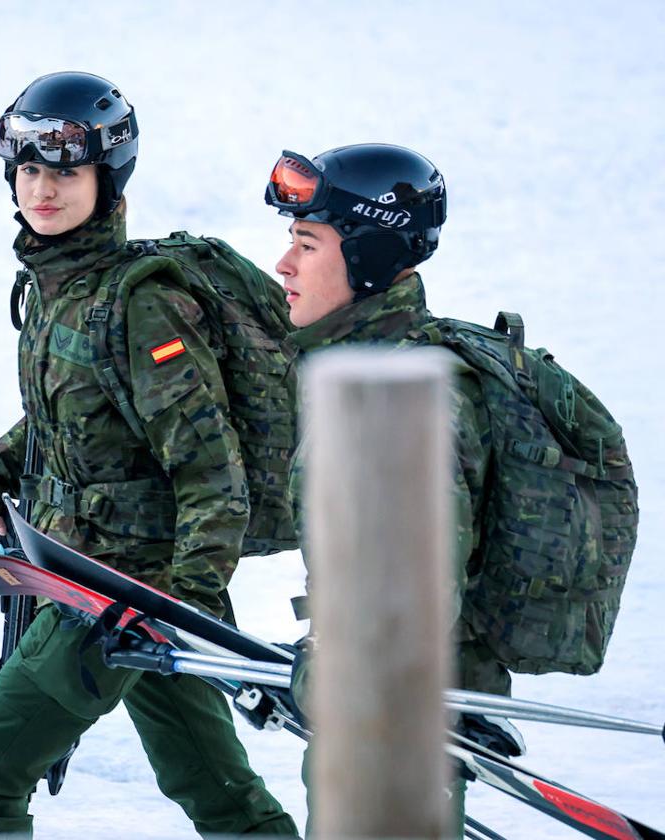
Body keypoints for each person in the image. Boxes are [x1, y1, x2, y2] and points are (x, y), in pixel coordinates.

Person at [0, 71, 298, 837]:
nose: (43, 189)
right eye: (30, 169)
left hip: (120, 598)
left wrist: (182, 608)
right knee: (215, 791)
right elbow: (74, 417)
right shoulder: (58, 286)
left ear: (109, 177)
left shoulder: (140, 300)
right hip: (102, 581)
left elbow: (212, 470)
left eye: (66, 171)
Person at [265, 143, 505, 834]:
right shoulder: (361, 367)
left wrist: (338, 668)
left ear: (367, 257)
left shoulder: (400, 395)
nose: (284, 265)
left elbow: (414, 603)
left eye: (307, 245)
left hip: (398, 732)